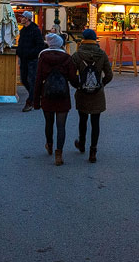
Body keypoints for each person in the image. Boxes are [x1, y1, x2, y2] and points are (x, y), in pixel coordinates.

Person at [33, 33, 78, 165]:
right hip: (62, 95)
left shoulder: (43, 57)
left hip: (47, 94)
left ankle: (49, 144)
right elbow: (73, 78)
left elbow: (38, 79)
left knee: (48, 122)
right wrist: (81, 85)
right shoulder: (67, 58)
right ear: (60, 44)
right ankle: (59, 154)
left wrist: (36, 101)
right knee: (61, 125)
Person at [71, 29, 113, 163]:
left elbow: (71, 75)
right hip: (97, 94)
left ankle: (82, 143)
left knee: (82, 119)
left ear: (83, 39)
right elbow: (109, 75)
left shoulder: (77, 55)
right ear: (95, 39)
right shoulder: (102, 54)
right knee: (96, 122)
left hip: (82, 92)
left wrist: (78, 85)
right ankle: (93, 151)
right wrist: (101, 84)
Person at [17, 10, 46, 112]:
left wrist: (31, 53)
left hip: (32, 60)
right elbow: (21, 43)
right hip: (24, 59)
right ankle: (38, 96)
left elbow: (40, 45)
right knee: (24, 79)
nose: (21, 19)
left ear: (28, 19)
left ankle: (30, 101)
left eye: (23, 17)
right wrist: (19, 51)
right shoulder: (23, 30)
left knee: (32, 80)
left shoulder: (35, 30)